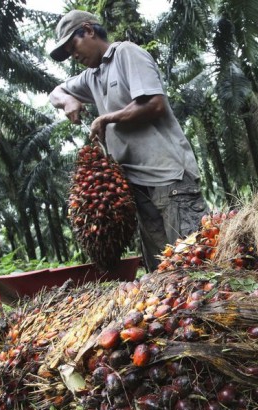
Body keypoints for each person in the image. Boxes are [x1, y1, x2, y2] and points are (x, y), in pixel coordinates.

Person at [49, 10, 209, 271]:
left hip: (170, 180)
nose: (74, 56)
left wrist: (106, 119)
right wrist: (68, 99)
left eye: (73, 46)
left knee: (199, 264)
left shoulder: (126, 53)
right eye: (68, 53)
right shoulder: (92, 77)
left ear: (88, 30)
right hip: (136, 188)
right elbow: (55, 91)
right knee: (165, 273)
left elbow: (154, 105)